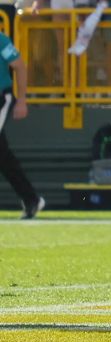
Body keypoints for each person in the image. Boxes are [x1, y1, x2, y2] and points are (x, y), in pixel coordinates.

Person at [0, 31, 42, 219]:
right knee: (3, 155)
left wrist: (22, 100)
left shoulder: (1, 40)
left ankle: (31, 199)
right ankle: (30, 199)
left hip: (2, 97)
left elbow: (19, 66)